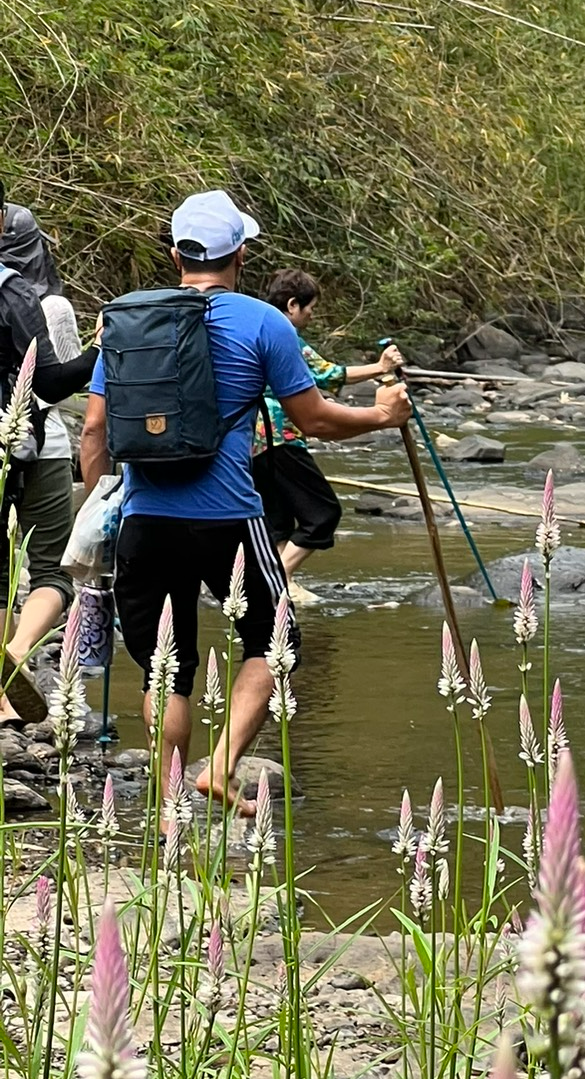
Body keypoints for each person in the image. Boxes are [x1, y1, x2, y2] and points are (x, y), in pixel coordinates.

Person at [79, 190, 409, 810]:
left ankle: (170, 803)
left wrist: (101, 505)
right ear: (242, 254)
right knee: (274, 644)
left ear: (175, 253)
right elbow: (313, 420)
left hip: (145, 519)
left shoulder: (125, 319)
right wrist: (382, 416)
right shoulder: (265, 321)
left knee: (165, 669)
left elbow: (94, 431)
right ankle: (222, 766)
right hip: (229, 515)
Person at [0, 203, 98, 726]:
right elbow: (57, 383)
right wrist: (102, 350)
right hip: (43, 444)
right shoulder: (47, 303)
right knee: (54, 573)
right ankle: (14, 654)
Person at [253, 268, 402, 583]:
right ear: (292, 304)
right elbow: (326, 374)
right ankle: (277, 581)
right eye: (310, 309)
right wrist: (381, 367)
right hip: (281, 437)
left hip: (251, 441)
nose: (311, 316)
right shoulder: (284, 333)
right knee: (323, 514)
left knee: (277, 521)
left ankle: (283, 593)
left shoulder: (255, 326)